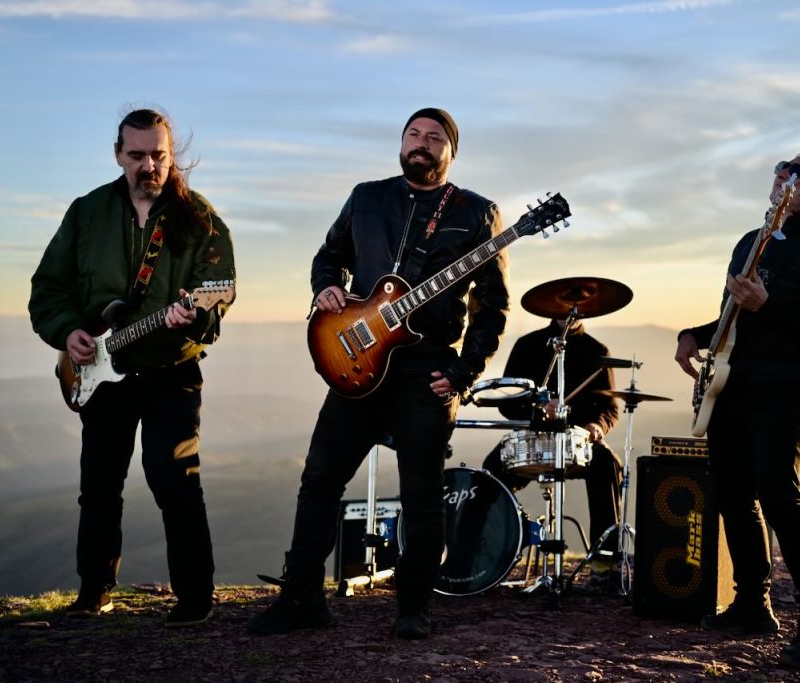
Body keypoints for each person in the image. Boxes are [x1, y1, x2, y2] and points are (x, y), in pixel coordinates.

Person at [248, 107, 509, 639]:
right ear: (401, 142)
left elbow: (492, 306)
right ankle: (302, 599)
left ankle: (414, 607)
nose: (422, 143)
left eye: (434, 137)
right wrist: (326, 286)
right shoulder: (367, 197)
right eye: (414, 134)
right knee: (319, 479)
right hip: (357, 360)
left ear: (451, 152)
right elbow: (330, 255)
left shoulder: (478, 213)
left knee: (421, 493)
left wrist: (463, 371)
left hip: (427, 370)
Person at [29, 108, 236, 627]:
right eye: (138, 155)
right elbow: (48, 289)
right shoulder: (87, 212)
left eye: (159, 156)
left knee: (174, 478)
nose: (149, 166)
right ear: (118, 155)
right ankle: (94, 591)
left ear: (172, 155)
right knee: (99, 485)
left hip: (171, 370)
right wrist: (68, 332)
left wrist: (193, 317)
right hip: (100, 373)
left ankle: (195, 598)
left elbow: (217, 298)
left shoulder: (200, 219)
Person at [674, 149, 800, 669]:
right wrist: (692, 334)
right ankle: (752, 603)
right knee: (731, 493)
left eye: (797, 171)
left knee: (780, 497)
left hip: (787, 384)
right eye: (781, 167)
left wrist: (767, 303)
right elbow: (732, 317)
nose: (783, 175)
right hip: (734, 380)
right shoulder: (750, 241)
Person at [481, 318, 623, 584]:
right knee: (491, 470)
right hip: (531, 440)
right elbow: (507, 402)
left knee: (608, 464)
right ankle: (492, 554)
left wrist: (597, 426)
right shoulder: (527, 345)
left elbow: (610, 409)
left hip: (578, 441)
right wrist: (536, 410)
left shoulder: (597, 351)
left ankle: (605, 562)